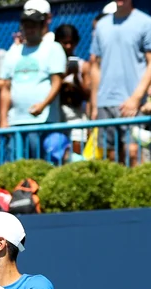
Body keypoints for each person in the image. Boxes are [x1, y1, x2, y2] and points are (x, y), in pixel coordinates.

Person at [0, 6, 66, 157]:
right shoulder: (13, 52)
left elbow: (57, 82)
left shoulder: (53, 48)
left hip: (45, 123)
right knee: (16, 173)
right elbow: (5, 88)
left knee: (44, 168)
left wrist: (43, 105)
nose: (29, 29)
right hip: (16, 123)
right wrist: (3, 120)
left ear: (42, 26)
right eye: (26, 25)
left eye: (33, 25)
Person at [90, 0, 151, 165]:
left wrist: (136, 98)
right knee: (110, 158)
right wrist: (95, 104)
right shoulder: (101, 25)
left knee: (133, 153)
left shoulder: (145, 23)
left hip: (132, 104)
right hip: (105, 104)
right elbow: (95, 65)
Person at [55, 24, 90, 153]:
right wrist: (62, 78)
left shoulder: (83, 66)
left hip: (76, 118)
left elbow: (88, 95)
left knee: (76, 156)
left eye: (71, 43)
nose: (68, 47)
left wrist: (75, 78)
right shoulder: (51, 66)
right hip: (57, 117)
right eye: (65, 43)